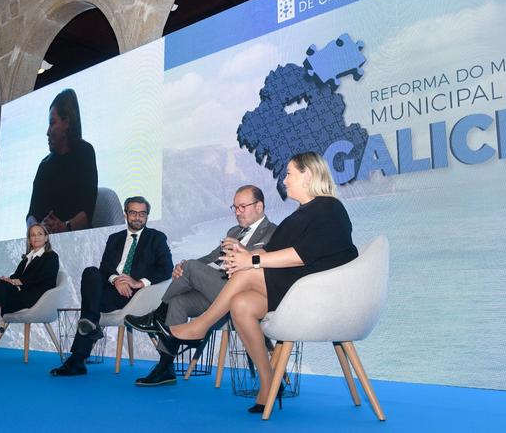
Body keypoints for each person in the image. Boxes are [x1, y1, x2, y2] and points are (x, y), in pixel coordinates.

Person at [154, 152, 358, 413]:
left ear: (307, 175)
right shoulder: (303, 213)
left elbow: (301, 255)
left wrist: (251, 260)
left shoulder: (328, 207)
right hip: (296, 289)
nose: (284, 180)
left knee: (247, 273)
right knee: (241, 305)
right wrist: (244, 258)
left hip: (318, 294)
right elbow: (278, 254)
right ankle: (268, 382)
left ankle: (200, 327)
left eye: (289, 173)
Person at [125, 185, 277, 386]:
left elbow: (261, 266)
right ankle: (165, 367)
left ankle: (158, 315)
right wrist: (183, 267)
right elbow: (210, 258)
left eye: (243, 207)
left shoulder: (273, 232)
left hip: (245, 293)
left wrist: (239, 249)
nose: (238, 212)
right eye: (235, 207)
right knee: (178, 301)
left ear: (259, 206)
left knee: (190, 269)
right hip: (217, 290)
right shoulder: (234, 230)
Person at [50, 196, 173, 376]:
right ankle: (90, 326)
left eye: (142, 213)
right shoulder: (114, 238)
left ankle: (78, 358)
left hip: (136, 295)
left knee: (90, 307)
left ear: (147, 216)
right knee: (91, 271)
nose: (138, 217)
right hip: (112, 291)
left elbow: (166, 268)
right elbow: (105, 267)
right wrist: (116, 280)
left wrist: (137, 282)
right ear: (125, 214)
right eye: (133, 213)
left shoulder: (156, 238)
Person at [0, 223, 59, 364]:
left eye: (40, 234)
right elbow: (16, 276)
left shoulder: (51, 256)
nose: (36, 237)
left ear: (46, 237)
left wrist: (18, 282)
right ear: (29, 240)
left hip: (38, 297)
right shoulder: (26, 259)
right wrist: (9, 280)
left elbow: (44, 277)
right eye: (32, 235)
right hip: (21, 295)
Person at [27, 88, 98, 233]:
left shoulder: (85, 153)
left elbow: (87, 213)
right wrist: (35, 228)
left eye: (52, 123)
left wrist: (64, 226)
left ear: (67, 122)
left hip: (77, 243)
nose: (47, 131)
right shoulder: (44, 165)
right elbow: (31, 215)